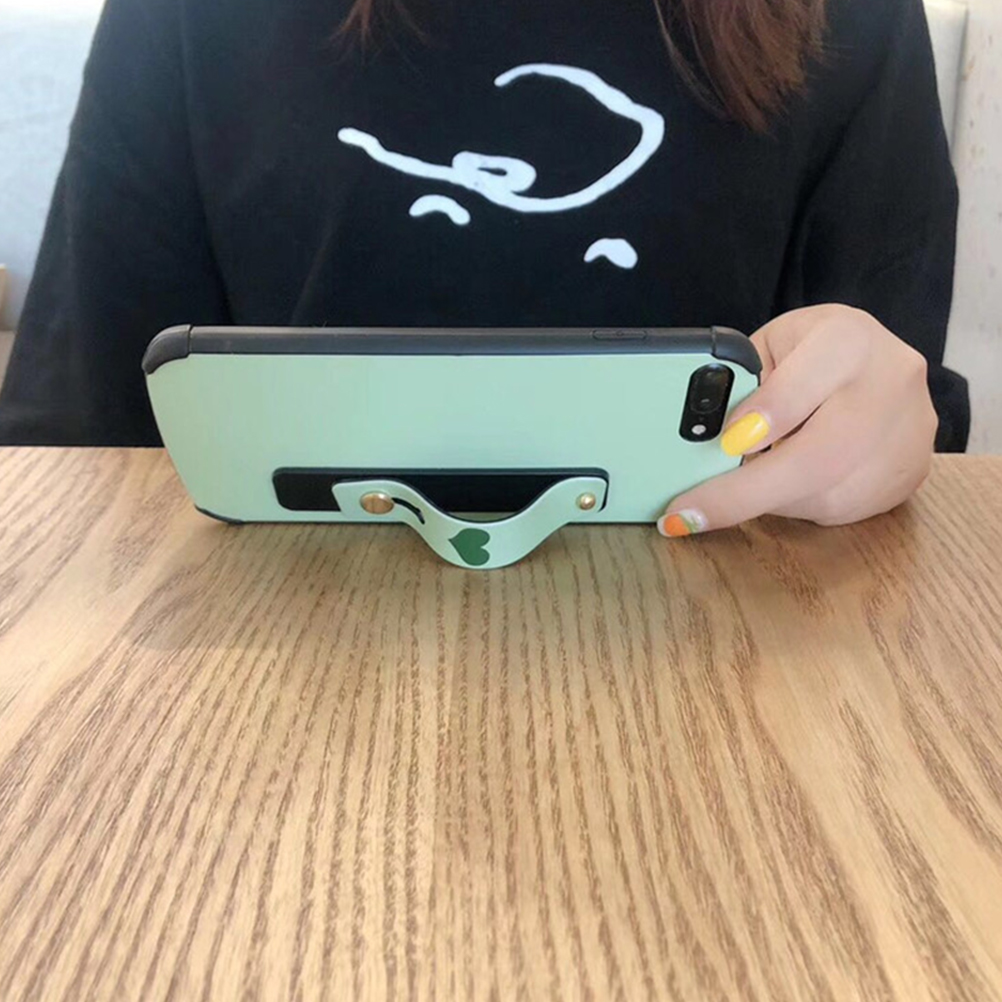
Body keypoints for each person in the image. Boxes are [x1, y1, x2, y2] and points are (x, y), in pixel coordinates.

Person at [0, 0, 969, 538]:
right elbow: (85, 421)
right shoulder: (185, 16)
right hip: (272, 656)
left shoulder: (847, 18)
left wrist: (883, 428)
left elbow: (892, 398)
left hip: (723, 638)